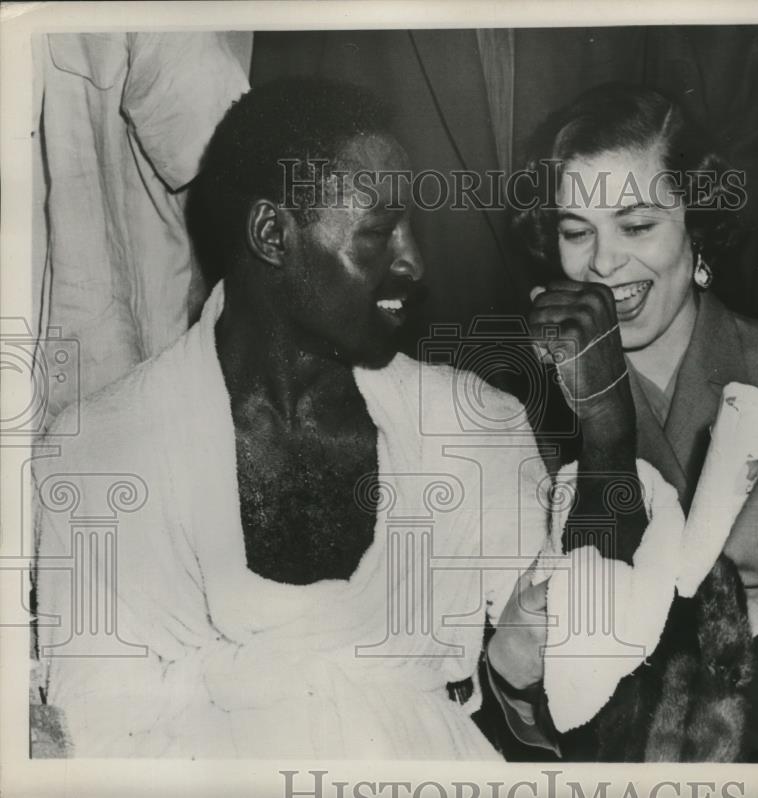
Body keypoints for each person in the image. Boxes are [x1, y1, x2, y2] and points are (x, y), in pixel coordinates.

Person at [33, 78, 568, 759]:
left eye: (412, 228)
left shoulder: (469, 427)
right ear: (271, 234)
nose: (415, 261)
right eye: (377, 234)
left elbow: (570, 671)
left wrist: (609, 441)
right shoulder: (101, 452)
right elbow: (94, 735)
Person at [514, 83, 758, 762]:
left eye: (636, 226)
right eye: (578, 231)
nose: (604, 264)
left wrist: (649, 629)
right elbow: (529, 686)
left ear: (696, 221)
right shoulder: (526, 402)